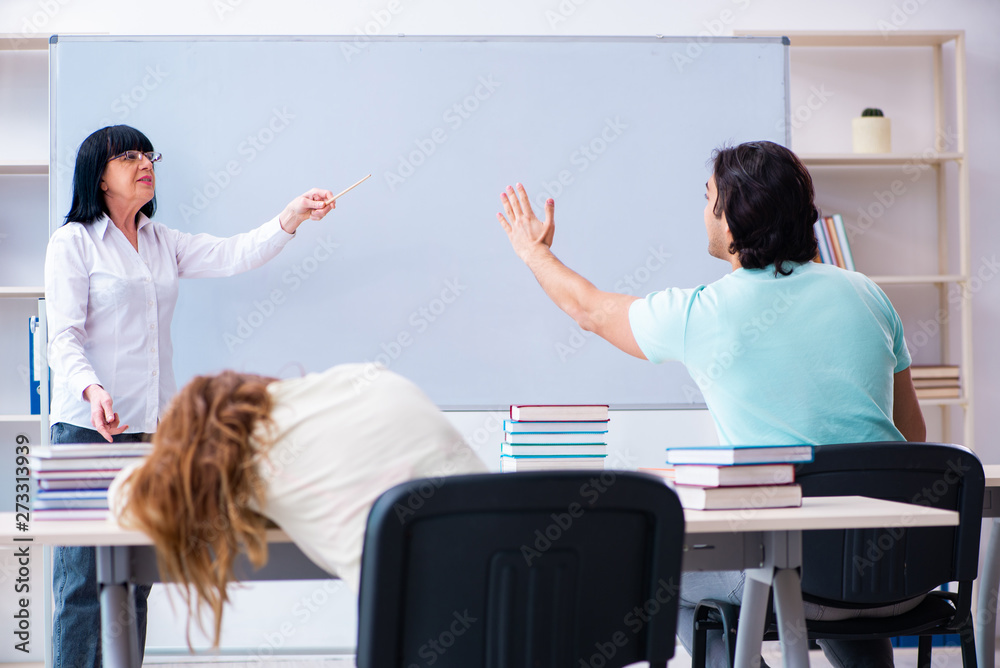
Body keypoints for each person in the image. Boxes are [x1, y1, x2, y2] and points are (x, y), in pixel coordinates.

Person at [497, 140, 925, 668]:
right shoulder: (868, 295)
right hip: (904, 574)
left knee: (657, 567)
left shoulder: (706, 313)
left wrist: (533, 251)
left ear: (731, 221)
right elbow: (912, 440)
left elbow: (589, 310)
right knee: (839, 552)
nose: (702, 211)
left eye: (708, 199)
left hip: (798, 577)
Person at [44, 124, 337, 668]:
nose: (143, 163)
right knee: (82, 586)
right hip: (88, 431)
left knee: (136, 578)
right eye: (127, 156)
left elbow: (234, 254)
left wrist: (291, 216)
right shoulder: (74, 242)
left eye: (147, 154)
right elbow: (63, 336)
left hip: (152, 435)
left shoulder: (160, 241)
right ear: (98, 175)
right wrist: (92, 388)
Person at [107, 362, 487, 646]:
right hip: (532, 603)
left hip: (434, 640)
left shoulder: (250, 456)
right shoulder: (373, 380)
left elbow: (124, 502)